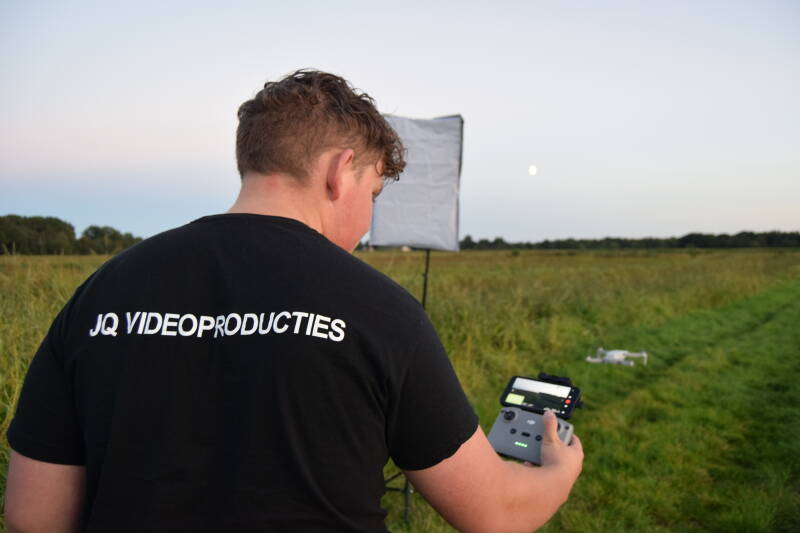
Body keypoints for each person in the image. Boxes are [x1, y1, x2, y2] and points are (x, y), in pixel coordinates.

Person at [4, 69, 583, 533]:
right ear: (340, 172)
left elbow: (33, 516)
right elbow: (495, 512)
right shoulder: (380, 311)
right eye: (373, 192)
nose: (367, 220)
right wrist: (561, 469)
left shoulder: (101, 293)